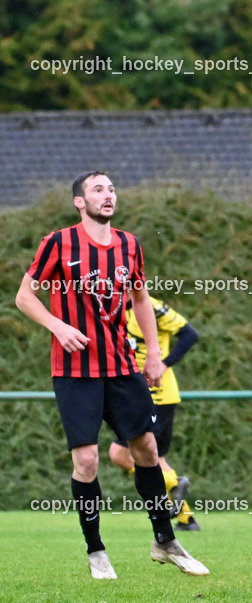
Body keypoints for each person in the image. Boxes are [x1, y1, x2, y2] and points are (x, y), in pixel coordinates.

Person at [15, 171, 208, 579]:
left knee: (148, 452)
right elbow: (24, 296)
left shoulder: (128, 244)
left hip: (122, 366)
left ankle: (165, 541)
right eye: (98, 190)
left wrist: (154, 354)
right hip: (75, 370)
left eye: (112, 189)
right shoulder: (59, 243)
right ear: (79, 202)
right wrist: (58, 326)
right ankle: (96, 550)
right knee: (87, 460)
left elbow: (140, 298)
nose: (108, 195)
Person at [108, 296, 201, 531]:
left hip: (158, 395)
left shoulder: (151, 307)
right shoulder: (112, 308)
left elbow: (190, 334)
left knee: (120, 453)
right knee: (156, 459)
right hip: (136, 392)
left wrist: (163, 363)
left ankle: (173, 484)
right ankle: (186, 518)